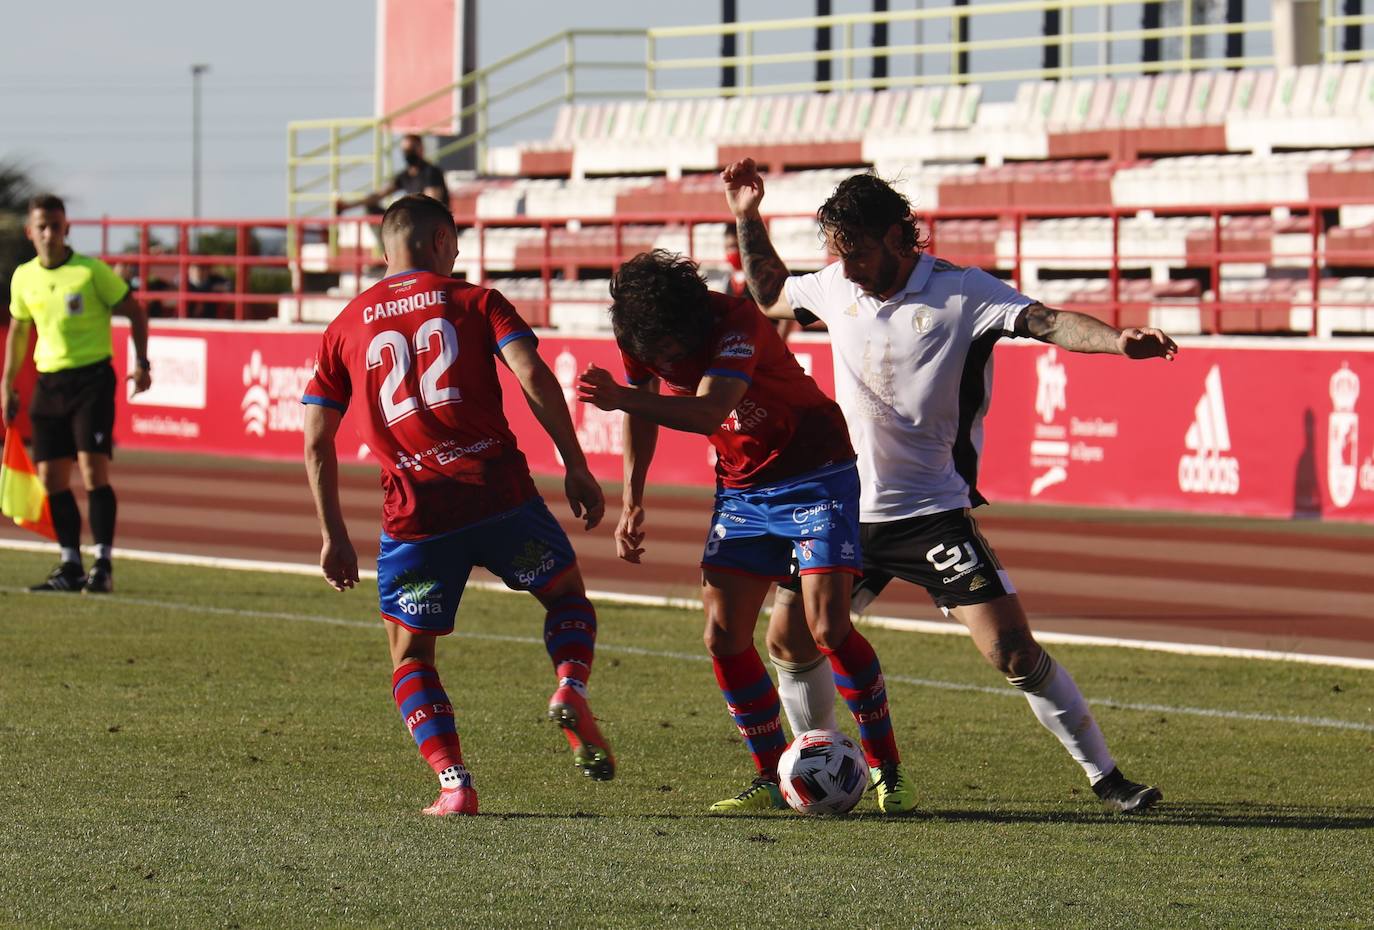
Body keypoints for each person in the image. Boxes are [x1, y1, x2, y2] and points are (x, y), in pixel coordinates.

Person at [722, 158, 1176, 814]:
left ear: (901, 238)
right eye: (838, 254)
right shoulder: (834, 285)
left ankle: (1108, 779)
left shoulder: (963, 293)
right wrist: (745, 213)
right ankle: (817, 762)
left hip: (931, 514)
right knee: (787, 640)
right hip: (843, 511)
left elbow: (1048, 322)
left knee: (1013, 650)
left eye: (859, 253)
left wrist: (1117, 340)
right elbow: (769, 293)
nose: (846, 267)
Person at [301, 194, 612, 817]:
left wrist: (333, 534)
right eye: (457, 242)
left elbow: (315, 441)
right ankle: (569, 686)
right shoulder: (475, 300)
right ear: (441, 240)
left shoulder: (344, 327)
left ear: (384, 249)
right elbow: (534, 377)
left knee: (410, 654)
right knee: (566, 596)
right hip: (499, 494)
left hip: (417, 515)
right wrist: (575, 464)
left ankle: (454, 784)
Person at [576, 248, 916, 814]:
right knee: (722, 636)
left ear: (690, 323)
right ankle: (768, 774)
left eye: (671, 351)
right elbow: (644, 409)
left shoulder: (736, 321)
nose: (662, 359)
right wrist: (632, 498)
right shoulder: (638, 334)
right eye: (650, 352)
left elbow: (710, 411)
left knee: (827, 628)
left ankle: (887, 768)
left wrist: (622, 397)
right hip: (742, 489)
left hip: (816, 472)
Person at [2, 194, 151, 593]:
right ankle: (70, 564)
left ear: (67, 228)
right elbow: (19, 330)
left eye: (56, 225)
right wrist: (8, 383)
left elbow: (135, 310)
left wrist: (142, 362)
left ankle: (102, 564)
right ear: (30, 232)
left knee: (92, 472)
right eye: (42, 227)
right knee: (50, 478)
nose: (50, 233)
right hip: (49, 383)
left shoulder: (91, 272)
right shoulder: (23, 277)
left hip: (92, 381)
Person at [334, 133, 450, 215]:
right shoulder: (405, 176)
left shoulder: (431, 172)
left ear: (420, 149)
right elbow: (378, 195)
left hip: (430, 222)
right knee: (372, 209)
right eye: (405, 151)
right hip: (414, 218)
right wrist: (349, 206)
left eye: (410, 150)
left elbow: (433, 205)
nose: (407, 154)